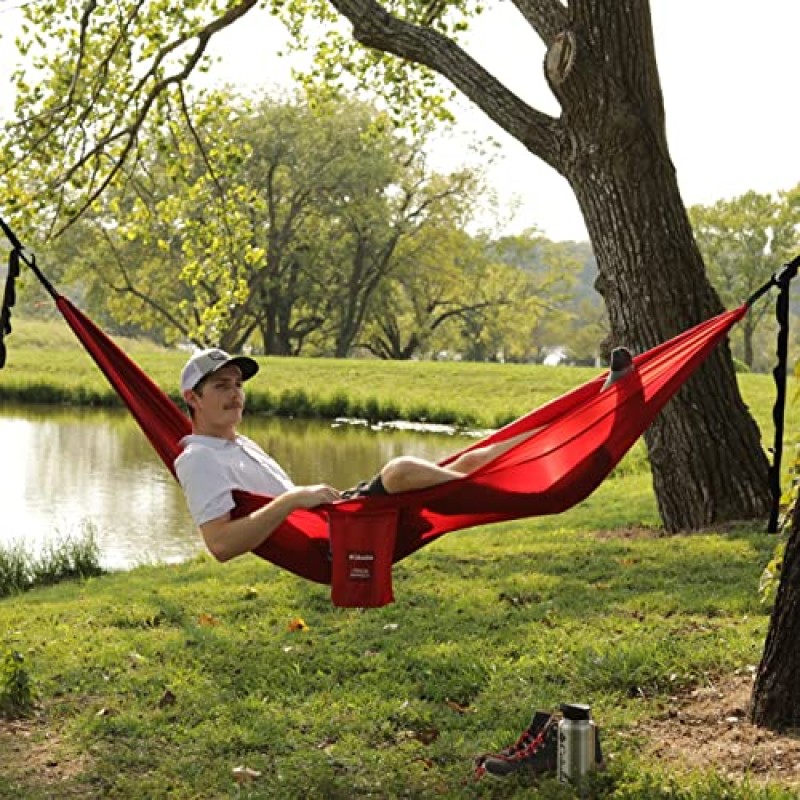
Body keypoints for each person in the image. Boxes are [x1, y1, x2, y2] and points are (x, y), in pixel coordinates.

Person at [175, 347, 633, 563]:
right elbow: (220, 546)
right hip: (336, 539)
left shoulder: (235, 442)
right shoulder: (197, 459)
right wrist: (296, 500)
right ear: (192, 399)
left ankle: (589, 408)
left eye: (237, 385)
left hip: (337, 516)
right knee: (401, 470)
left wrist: (305, 499)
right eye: (221, 386)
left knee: (470, 462)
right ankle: (541, 488)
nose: (235, 395)